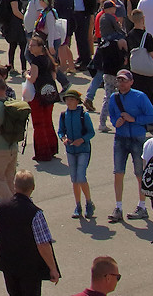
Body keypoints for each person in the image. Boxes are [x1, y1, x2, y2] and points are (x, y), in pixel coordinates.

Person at [0, 170, 60, 296]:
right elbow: (42, 244)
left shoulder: (0, 207)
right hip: (30, 269)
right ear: (33, 188)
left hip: (8, 264)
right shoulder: (35, 213)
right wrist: (52, 268)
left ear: (15, 186)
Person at [106, 69, 153, 223]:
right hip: (120, 138)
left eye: (124, 80)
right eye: (119, 80)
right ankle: (118, 207)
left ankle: (142, 206)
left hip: (137, 138)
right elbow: (113, 116)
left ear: (131, 82)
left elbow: (152, 116)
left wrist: (133, 119)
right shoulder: (114, 98)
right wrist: (117, 122)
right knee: (118, 172)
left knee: (139, 173)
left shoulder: (139, 96)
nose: (121, 83)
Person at [57, 89, 96, 219]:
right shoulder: (63, 115)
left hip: (83, 150)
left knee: (81, 177)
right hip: (70, 150)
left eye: (71, 99)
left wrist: (82, 140)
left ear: (77, 101)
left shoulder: (84, 115)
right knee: (74, 179)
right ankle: (78, 205)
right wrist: (63, 139)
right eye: (67, 99)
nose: (69, 102)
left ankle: (88, 203)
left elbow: (91, 132)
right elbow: (61, 131)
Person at [25, 35, 59, 161]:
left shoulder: (36, 61)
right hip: (50, 93)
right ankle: (52, 148)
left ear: (40, 47)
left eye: (33, 45)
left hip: (39, 95)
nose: (30, 47)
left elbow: (33, 78)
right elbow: (54, 77)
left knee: (39, 123)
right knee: (48, 121)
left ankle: (43, 152)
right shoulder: (49, 59)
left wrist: (26, 75)